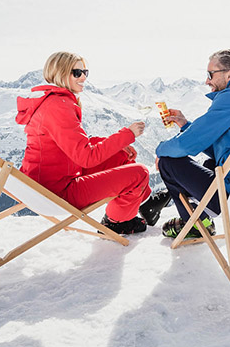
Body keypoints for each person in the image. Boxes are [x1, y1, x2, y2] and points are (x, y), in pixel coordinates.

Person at [16, 51, 154, 235]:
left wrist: (116, 144)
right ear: (61, 73)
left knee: (121, 156)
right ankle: (116, 222)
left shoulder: (54, 101)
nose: (83, 78)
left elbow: (72, 144)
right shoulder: (59, 106)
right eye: (77, 73)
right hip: (56, 192)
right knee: (140, 173)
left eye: (85, 72)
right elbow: (86, 157)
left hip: (50, 180)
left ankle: (128, 210)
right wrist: (127, 134)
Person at [148, 49, 230, 239]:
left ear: (229, 74)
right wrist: (185, 125)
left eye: (210, 74)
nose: (207, 81)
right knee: (211, 164)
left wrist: (160, 150)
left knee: (168, 161)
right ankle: (201, 218)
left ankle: (194, 224)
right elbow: (221, 149)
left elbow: (186, 146)